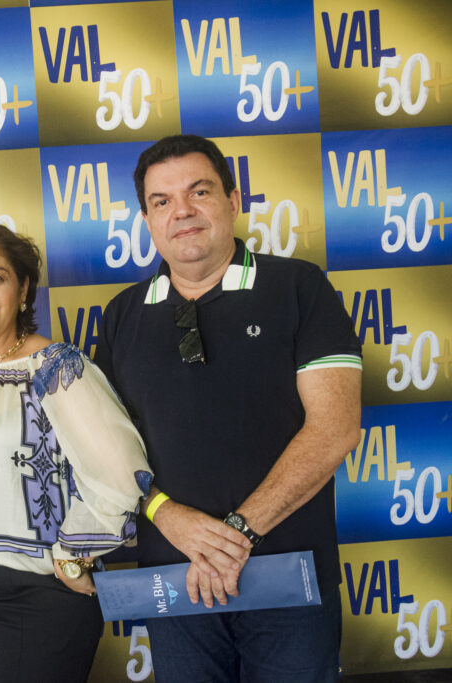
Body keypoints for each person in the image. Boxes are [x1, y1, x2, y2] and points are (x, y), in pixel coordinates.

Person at [93, 134, 363, 682]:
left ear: (233, 201)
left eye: (200, 192)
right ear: (147, 219)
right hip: (175, 578)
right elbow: (104, 453)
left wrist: (236, 535)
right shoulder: (121, 315)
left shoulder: (298, 286)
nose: (182, 212)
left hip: (289, 577)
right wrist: (170, 518)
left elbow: (335, 430)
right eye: (162, 201)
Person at [0, 223, 151, 683]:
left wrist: (72, 553)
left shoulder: (58, 366)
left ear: (22, 288)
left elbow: (124, 474)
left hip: (37, 590)